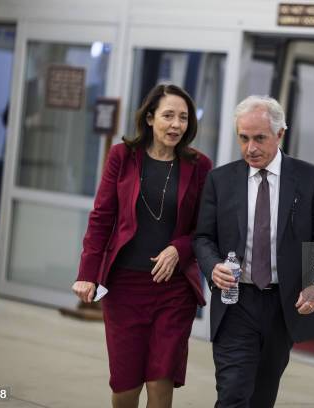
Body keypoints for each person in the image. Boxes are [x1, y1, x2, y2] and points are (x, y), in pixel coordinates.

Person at [193, 95, 314, 407]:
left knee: (262, 395)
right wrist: (213, 266)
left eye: (259, 138)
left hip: (282, 305)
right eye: (243, 138)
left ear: (280, 134)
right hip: (236, 303)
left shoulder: (311, 179)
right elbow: (203, 238)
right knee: (233, 392)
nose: (251, 148)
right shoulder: (220, 181)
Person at [72, 84, 212, 408]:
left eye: (183, 117)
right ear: (150, 118)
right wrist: (87, 273)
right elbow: (102, 217)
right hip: (124, 287)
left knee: (160, 381)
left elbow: (206, 228)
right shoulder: (123, 157)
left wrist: (179, 248)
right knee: (125, 386)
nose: (176, 124)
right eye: (168, 116)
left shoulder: (199, 165)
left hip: (173, 289)